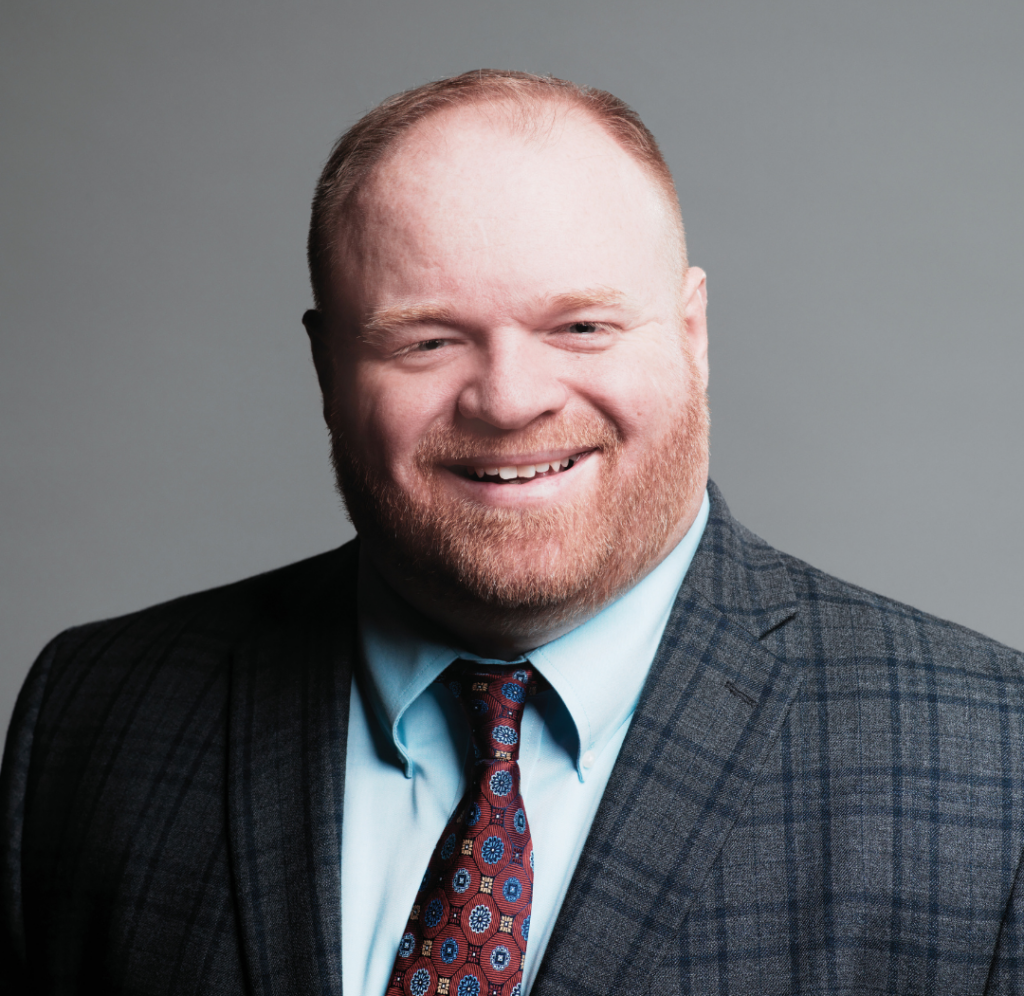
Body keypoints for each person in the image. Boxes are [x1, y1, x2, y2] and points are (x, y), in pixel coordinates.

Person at [2, 69, 1022, 996]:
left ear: (691, 335)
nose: (508, 400)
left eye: (579, 326)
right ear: (326, 369)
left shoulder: (993, 762)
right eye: (427, 339)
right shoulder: (94, 714)